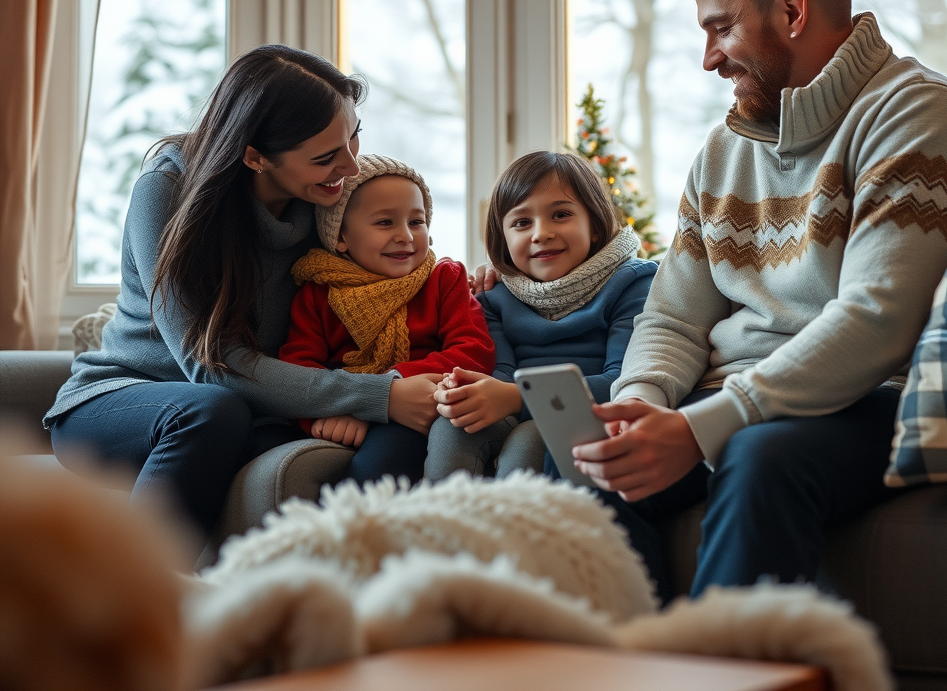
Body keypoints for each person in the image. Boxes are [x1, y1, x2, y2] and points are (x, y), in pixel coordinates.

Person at [531, 0, 947, 602]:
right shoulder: (722, 153)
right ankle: (632, 678)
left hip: (873, 399)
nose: (708, 57)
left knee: (758, 453)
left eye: (721, 27)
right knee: (579, 450)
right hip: (731, 395)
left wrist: (702, 426)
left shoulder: (918, 115)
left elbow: (876, 320)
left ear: (792, 10)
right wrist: (640, 401)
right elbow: (674, 318)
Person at [45, 46, 441, 545]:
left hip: (245, 410)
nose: (349, 164)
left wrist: (492, 275)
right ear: (254, 155)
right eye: (325, 157)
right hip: (121, 402)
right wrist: (380, 396)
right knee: (212, 407)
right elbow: (209, 365)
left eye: (354, 136)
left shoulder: (326, 202)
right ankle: (137, 605)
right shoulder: (169, 189)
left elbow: (392, 265)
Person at [427, 150, 657, 481]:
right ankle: (440, 527)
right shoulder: (495, 297)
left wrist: (514, 397)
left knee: (532, 437)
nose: (541, 233)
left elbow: (622, 382)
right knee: (452, 427)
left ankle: (524, 529)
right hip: (515, 408)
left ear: (593, 224)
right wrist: (467, 391)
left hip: (590, 415)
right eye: (522, 222)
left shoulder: (633, 282)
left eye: (560, 215)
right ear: (503, 240)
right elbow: (503, 372)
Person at [278, 154, 495, 485]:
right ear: (341, 237)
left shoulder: (443, 278)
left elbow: (474, 349)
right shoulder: (319, 293)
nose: (406, 236)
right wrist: (335, 414)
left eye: (416, 221)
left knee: (380, 467)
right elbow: (298, 368)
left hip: (422, 412)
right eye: (384, 222)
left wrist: (394, 383)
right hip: (348, 409)